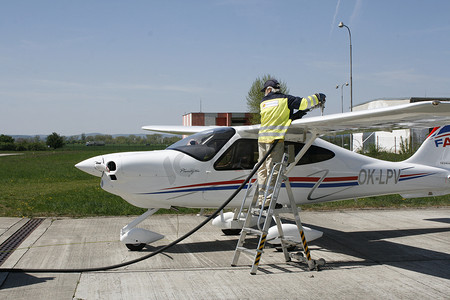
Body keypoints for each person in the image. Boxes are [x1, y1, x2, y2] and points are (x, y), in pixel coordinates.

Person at [257, 79, 326, 209]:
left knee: (262, 170)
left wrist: (292, 117)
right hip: (275, 140)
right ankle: (268, 202)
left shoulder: (263, 102)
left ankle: (261, 200)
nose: (265, 93)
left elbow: (274, 118)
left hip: (262, 140)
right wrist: (318, 97)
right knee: (274, 171)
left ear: (269, 89)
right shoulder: (285, 100)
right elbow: (305, 103)